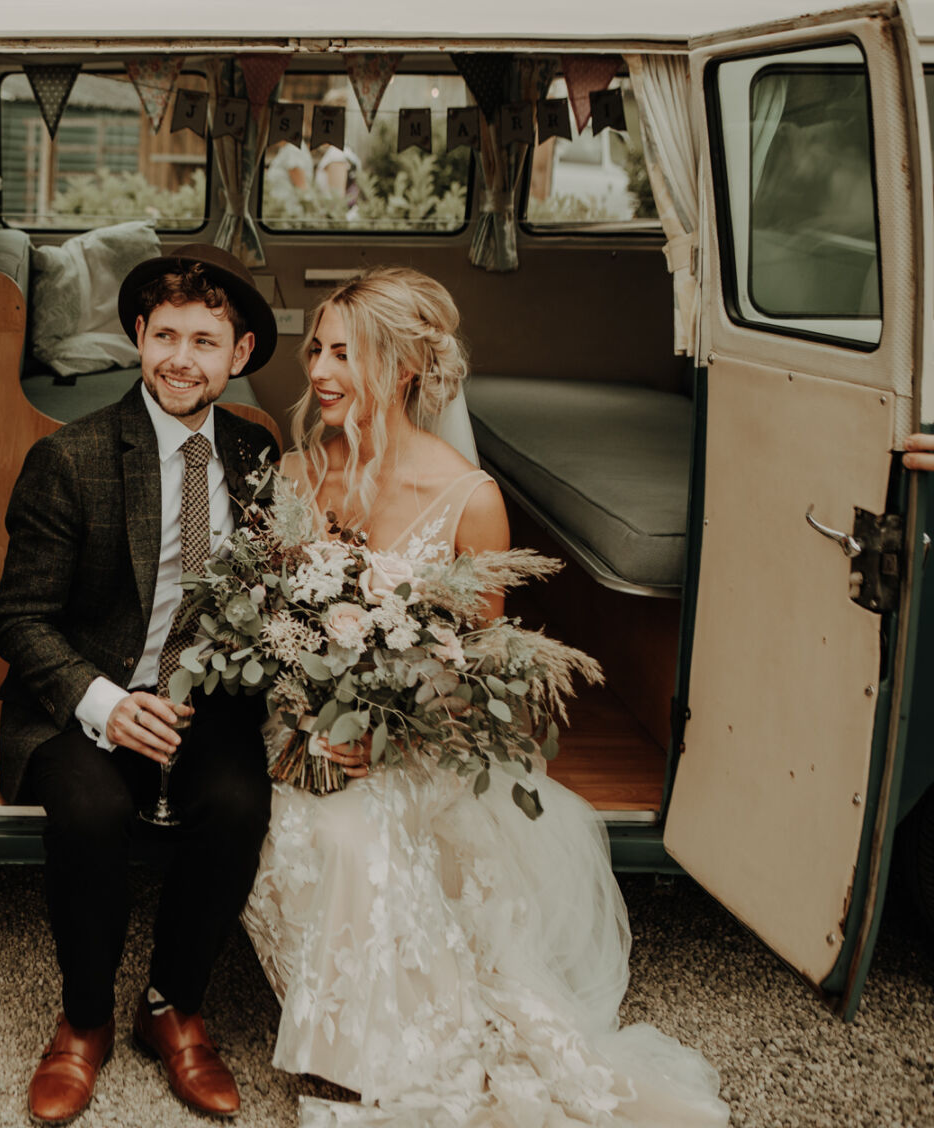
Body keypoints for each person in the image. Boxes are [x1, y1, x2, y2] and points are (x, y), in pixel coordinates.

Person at [242, 266, 731, 1127]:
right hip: (299, 724)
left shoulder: (471, 502)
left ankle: (378, 1053)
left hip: (415, 739)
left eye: (343, 354)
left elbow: (473, 671)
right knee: (304, 819)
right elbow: (273, 626)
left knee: (359, 834)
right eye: (315, 348)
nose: (317, 370)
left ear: (402, 368)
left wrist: (381, 736)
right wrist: (306, 711)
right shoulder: (292, 472)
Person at [0, 243, 281, 1123]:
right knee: (91, 811)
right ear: (136, 338)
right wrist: (107, 706)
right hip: (84, 698)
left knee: (236, 806)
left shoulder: (256, 454)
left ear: (237, 357)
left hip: (209, 699)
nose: (181, 359)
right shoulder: (71, 459)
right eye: (165, 336)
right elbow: (19, 622)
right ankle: (83, 1020)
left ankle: (174, 1006)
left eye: (205, 340)